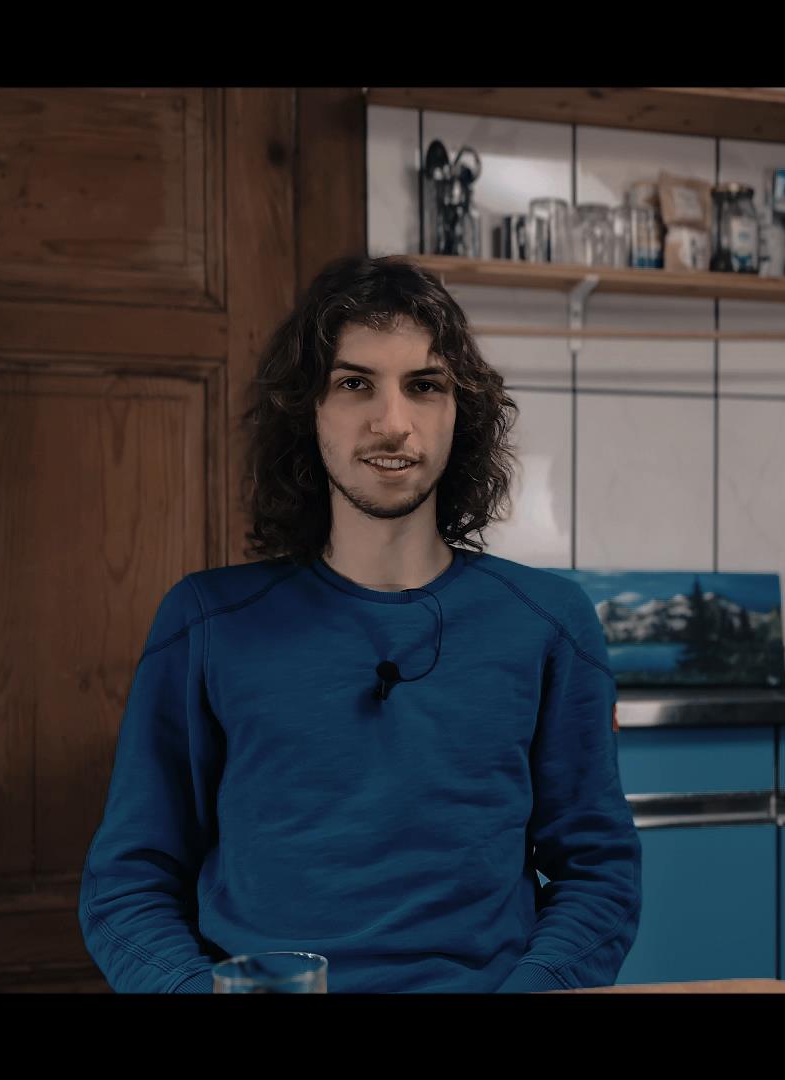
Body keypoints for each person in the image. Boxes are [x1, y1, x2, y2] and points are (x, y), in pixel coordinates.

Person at [80, 255, 640, 993]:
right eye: (354, 384)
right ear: (307, 410)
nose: (392, 423)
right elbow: (127, 884)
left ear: (459, 413)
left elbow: (598, 875)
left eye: (425, 386)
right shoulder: (207, 622)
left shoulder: (550, 624)